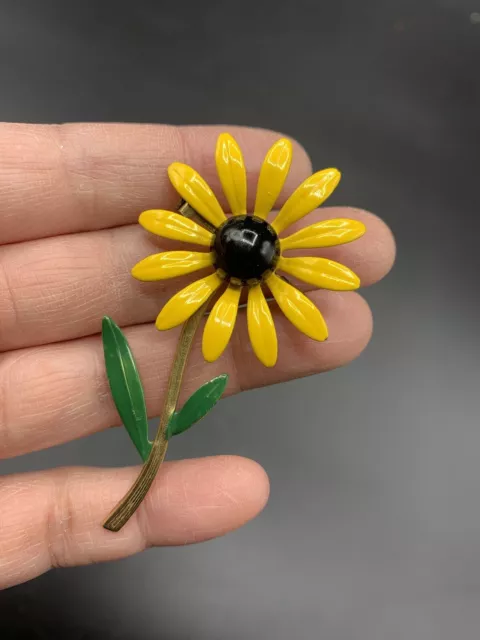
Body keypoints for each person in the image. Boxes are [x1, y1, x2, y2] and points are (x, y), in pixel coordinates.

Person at [0, 123, 395, 589]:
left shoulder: (272, 265)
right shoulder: (199, 251)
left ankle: (134, 493)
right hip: (207, 273)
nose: (249, 242)